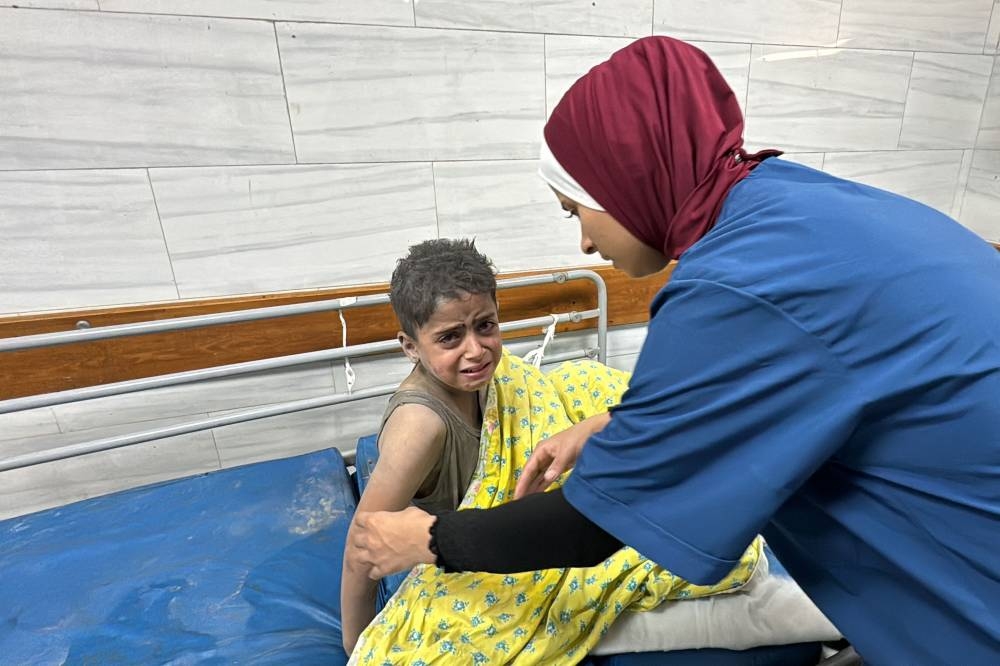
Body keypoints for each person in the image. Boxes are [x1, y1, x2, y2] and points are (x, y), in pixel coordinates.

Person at [348, 36, 1000, 664]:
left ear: (625, 180)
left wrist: (428, 539)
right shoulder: (781, 199)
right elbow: (805, 364)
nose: (582, 245)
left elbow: (592, 527)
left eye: (575, 213)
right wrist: (613, 425)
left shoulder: (730, 286)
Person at [340, 238, 503, 653]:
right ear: (410, 346)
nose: (476, 350)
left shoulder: (486, 378)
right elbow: (364, 540)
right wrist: (356, 645)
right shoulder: (423, 426)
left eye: (486, 325)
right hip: (448, 555)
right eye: (450, 338)